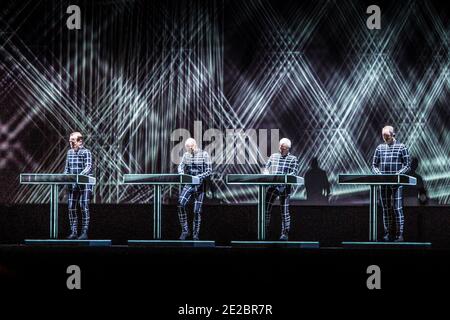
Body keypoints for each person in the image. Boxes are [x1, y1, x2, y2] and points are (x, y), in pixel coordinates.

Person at [372, 126, 411, 242]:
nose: (384, 138)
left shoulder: (402, 147)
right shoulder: (380, 148)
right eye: (383, 136)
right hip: (383, 183)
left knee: (397, 208)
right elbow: (374, 165)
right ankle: (388, 233)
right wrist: (378, 174)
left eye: (387, 136)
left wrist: (398, 174)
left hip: (397, 183)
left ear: (393, 134)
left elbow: (407, 165)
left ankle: (400, 235)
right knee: (386, 209)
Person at [264, 138, 299, 241]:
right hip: (272, 187)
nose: (280, 148)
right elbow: (266, 167)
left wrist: (284, 182)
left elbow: (294, 173)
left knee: (284, 212)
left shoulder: (293, 159)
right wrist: (266, 173)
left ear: (288, 148)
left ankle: (285, 234)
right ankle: (264, 231)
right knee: (266, 210)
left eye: (283, 147)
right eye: (280, 146)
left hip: (284, 188)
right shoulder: (273, 156)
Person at [177, 138, 212, 240]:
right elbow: (180, 166)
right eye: (186, 148)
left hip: (200, 185)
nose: (188, 150)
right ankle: (185, 231)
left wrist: (199, 177)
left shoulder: (204, 154)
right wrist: (181, 173)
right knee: (180, 203)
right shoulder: (186, 155)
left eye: (189, 147)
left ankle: (195, 235)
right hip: (189, 183)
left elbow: (209, 171)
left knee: (197, 211)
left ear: (194, 146)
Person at [64, 132, 94, 240]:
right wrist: (65, 179)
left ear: (80, 141)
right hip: (73, 185)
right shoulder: (69, 153)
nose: (71, 142)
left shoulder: (86, 152)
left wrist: (78, 177)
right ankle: (74, 232)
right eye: (70, 141)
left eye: (73, 140)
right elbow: (67, 169)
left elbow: (88, 167)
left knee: (83, 205)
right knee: (71, 206)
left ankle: (84, 232)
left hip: (85, 184)